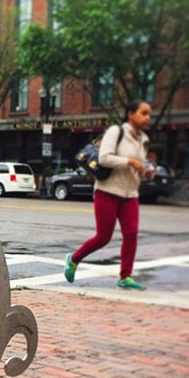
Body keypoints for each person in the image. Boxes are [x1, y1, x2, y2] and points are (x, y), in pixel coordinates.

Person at [64, 99, 155, 290]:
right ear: (131, 115)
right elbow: (104, 158)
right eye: (144, 113)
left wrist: (145, 172)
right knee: (103, 237)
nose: (148, 117)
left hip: (130, 193)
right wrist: (129, 161)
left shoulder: (144, 140)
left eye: (149, 114)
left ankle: (125, 277)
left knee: (131, 234)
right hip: (108, 191)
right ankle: (73, 259)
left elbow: (138, 165)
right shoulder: (116, 132)